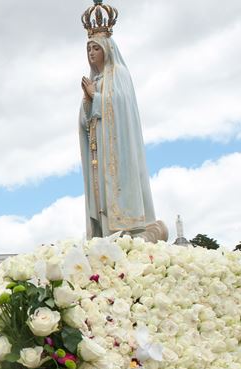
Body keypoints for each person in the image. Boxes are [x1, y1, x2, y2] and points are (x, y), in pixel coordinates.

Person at [79, 0, 159, 240]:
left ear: (107, 49)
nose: (92, 53)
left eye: (95, 48)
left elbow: (122, 107)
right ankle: (104, 232)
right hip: (98, 151)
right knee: (101, 193)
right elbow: (85, 122)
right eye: (89, 49)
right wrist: (87, 102)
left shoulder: (119, 74)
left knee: (115, 189)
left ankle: (129, 229)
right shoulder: (97, 79)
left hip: (118, 151)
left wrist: (96, 96)